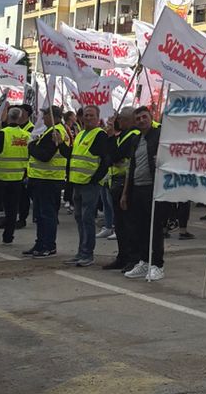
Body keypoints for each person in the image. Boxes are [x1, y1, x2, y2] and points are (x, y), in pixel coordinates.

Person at [121, 106, 165, 281]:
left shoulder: (160, 135)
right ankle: (144, 261)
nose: (141, 121)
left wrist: (161, 160)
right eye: (137, 118)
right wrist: (125, 193)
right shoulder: (136, 140)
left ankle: (157, 265)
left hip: (153, 189)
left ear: (151, 117)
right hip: (136, 189)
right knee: (140, 228)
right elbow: (131, 167)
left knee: (155, 228)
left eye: (144, 117)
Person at [0, 108, 31, 247]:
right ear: (20, 118)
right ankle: (8, 237)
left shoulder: (2, 134)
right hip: (17, 177)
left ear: (8, 117)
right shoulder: (26, 136)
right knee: (12, 209)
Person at [65, 106, 109, 268]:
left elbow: (105, 161)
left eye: (91, 115)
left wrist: (95, 179)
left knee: (87, 218)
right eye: (86, 115)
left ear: (98, 118)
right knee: (79, 218)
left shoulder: (100, 135)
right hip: (77, 182)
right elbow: (73, 157)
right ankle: (81, 252)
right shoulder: (81, 134)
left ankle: (87, 254)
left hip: (89, 184)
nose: (88, 118)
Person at [25, 107, 71, 258]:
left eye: (44, 116)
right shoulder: (52, 130)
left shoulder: (55, 132)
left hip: (48, 179)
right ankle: (40, 243)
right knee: (40, 214)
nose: (43, 119)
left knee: (47, 215)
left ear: (52, 116)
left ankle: (48, 245)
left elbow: (45, 156)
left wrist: (31, 146)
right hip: (43, 178)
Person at [103, 109, 140, 271]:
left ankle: (132, 258)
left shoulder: (134, 135)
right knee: (120, 224)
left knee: (129, 224)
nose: (118, 122)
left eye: (121, 119)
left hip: (126, 183)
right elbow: (110, 156)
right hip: (116, 182)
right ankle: (122, 256)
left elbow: (118, 155)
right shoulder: (124, 135)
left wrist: (111, 137)